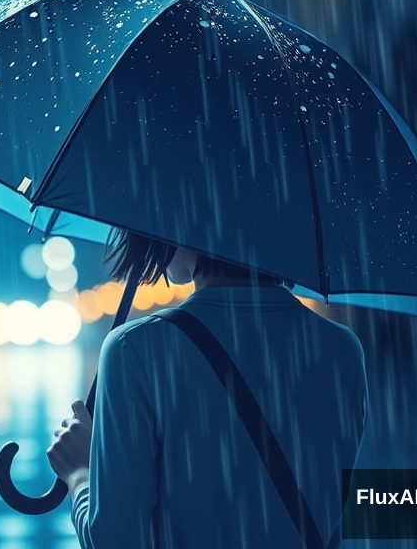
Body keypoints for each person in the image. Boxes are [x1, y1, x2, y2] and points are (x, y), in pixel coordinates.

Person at [47, 228, 369, 548]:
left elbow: (116, 543)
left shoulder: (135, 348)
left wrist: (81, 475)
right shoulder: (342, 349)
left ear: (181, 214)